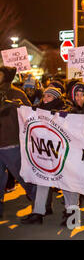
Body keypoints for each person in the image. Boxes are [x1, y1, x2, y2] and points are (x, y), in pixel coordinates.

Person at [20, 86, 74, 225]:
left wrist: (62, 113)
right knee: (42, 181)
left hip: (62, 153)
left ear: (56, 98)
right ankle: (38, 212)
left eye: (49, 96)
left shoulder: (65, 108)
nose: (45, 99)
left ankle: (72, 214)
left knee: (67, 183)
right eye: (44, 96)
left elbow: (72, 119)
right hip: (45, 151)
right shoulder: (39, 109)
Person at [0, 66, 36, 219]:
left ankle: (39, 203)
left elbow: (30, 115)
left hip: (11, 142)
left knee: (23, 176)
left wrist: (18, 105)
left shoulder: (17, 93)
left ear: (6, 77)